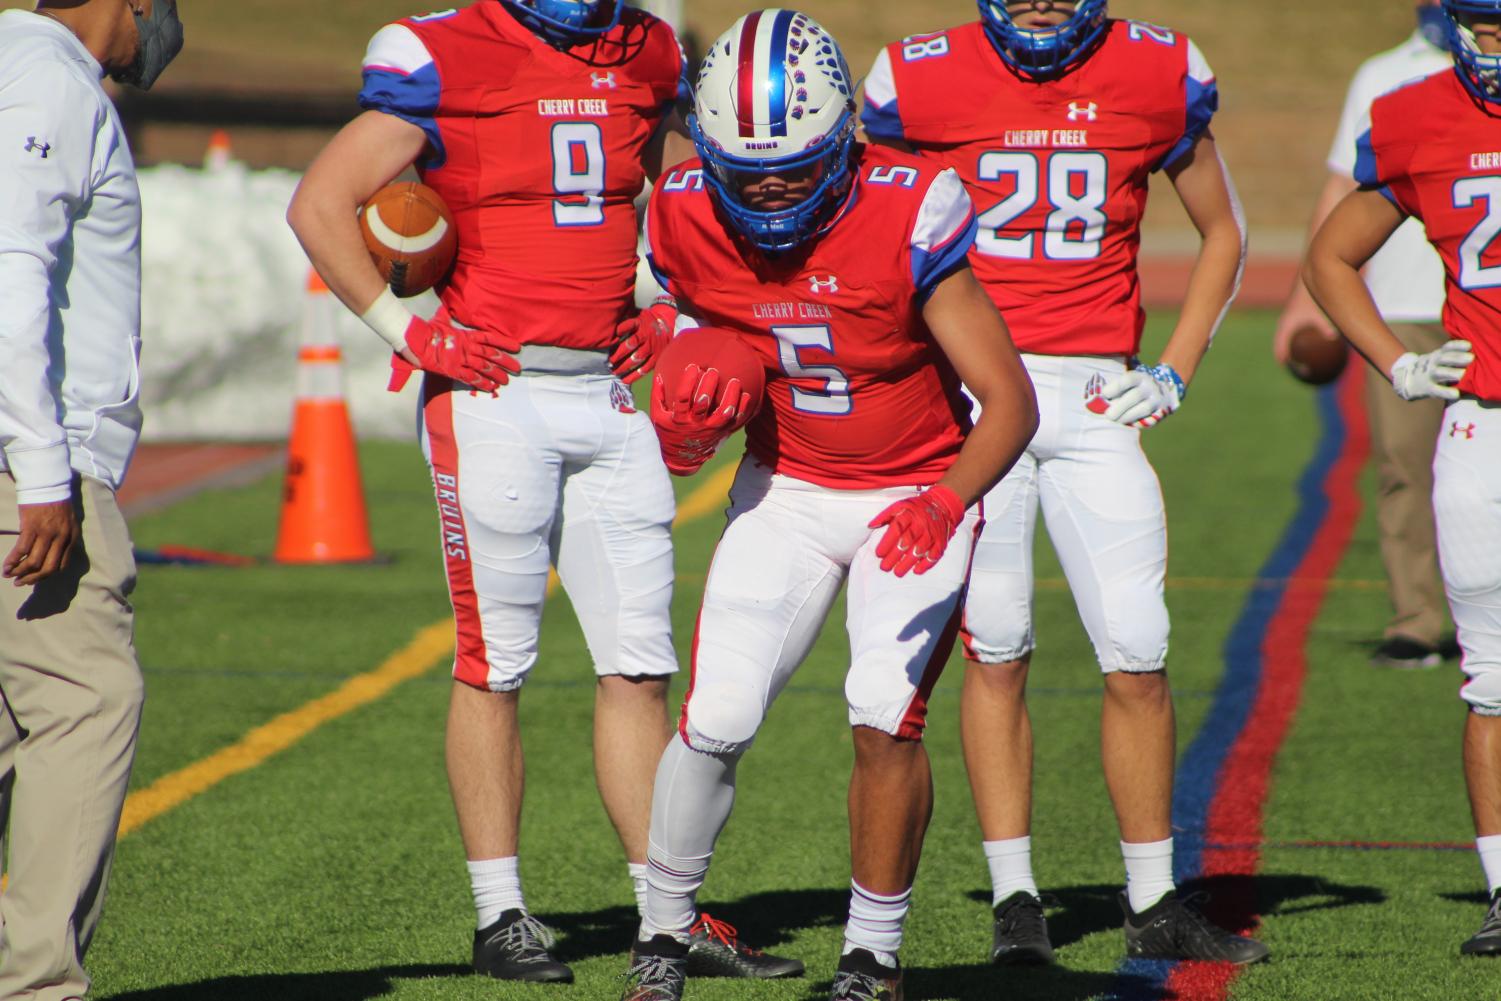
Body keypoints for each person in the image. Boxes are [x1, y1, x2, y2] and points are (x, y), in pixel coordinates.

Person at [286, 0, 795, 983]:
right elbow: (320, 202)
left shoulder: (645, 48)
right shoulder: (444, 48)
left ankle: (665, 912)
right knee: (496, 661)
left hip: (607, 395)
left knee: (640, 664)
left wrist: (671, 300)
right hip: (493, 394)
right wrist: (410, 330)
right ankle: (500, 914)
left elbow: (694, 191)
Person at [619, 11, 1040, 1001]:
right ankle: (662, 934)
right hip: (789, 489)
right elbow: (682, 315)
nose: (766, 188)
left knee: (881, 714)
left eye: (793, 168)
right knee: (715, 716)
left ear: (843, 141)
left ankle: (871, 955)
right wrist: (679, 364)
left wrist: (946, 501)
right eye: (743, 168)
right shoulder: (681, 206)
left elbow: (1010, 399)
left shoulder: (908, 205)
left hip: (911, 490)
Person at [861, 0, 1267, 966]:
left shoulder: (1156, 68)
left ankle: (1153, 892)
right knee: (995, 645)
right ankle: (1015, 901)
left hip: (1094, 395)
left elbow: (1222, 231)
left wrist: (1174, 365)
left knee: (1136, 644)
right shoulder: (914, 76)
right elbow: (872, 222)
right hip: (975, 395)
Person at [1304, 0, 1501, 957]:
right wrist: (1397, 360)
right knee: (1493, 677)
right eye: (1487, 24)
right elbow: (1329, 255)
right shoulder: (1418, 109)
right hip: (1485, 422)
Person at [0, 1, 183, 998]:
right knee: (87, 699)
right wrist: (43, 469)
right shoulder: (53, 79)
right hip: (26, 461)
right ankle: (36, 988)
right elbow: (11, 265)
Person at [1275, 0, 1458, 670]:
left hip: (1486, 300)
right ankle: (1415, 618)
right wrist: (1306, 300)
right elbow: (1341, 189)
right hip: (1405, 299)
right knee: (1404, 466)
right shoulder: (1386, 75)